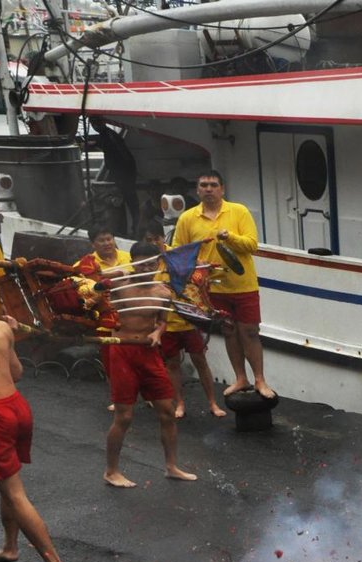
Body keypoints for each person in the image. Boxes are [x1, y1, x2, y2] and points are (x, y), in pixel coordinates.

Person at [103, 246, 198, 487]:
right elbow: (92, 291)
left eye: (151, 264)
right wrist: (111, 277)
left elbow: (162, 321)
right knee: (124, 416)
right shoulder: (119, 286)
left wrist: (157, 333)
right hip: (122, 351)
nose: (146, 268)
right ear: (132, 262)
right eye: (141, 264)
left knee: (167, 411)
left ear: (158, 265)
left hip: (149, 353)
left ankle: (171, 467)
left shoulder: (163, 292)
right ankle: (111, 471)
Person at [171, 170, 269, 399]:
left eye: (213, 185)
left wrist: (230, 237)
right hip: (211, 288)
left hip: (243, 284)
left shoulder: (238, 211)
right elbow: (178, 251)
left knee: (250, 331)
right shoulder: (187, 218)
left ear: (222, 189)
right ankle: (240, 378)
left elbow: (252, 245)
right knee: (229, 331)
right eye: (204, 185)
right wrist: (195, 264)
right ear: (197, 190)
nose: (208, 189)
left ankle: (260, 379)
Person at [0, 316, 66, 562]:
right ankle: (10, 547)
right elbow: (17, 373)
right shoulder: (1, 327)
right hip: (16, 407)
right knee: (7, 485)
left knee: (14, 493)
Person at [140, 228, 223, 419]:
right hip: (166, 324)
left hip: (189, 321)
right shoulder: (147, 265)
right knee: (172, 364)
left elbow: (200, 272)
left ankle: (213, 402)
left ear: (163, 237)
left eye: (156, 238)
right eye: (148, 239)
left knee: (200, 361)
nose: (153, 243)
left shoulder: (180, 256)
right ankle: (180, 403)